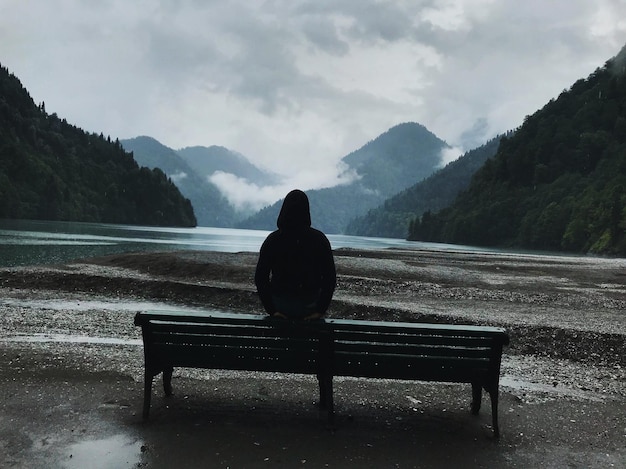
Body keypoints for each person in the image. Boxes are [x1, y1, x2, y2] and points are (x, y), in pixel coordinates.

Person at [255, 189, 336, 320]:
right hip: (311, 306)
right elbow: (330, 278)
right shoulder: (319, 239)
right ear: (306, 211)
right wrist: (320, 310)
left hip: (280, 306)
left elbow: (260, 278)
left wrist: (272, 310)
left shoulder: (273, 240)